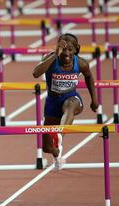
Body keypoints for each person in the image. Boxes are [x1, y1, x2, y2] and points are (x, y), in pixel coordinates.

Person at [32, 33, 98, 170]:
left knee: (69, 105)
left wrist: (94, 100)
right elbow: (36, 73)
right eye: (64, 49)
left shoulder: (80, 63)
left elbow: (89, 77)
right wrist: (55, 54)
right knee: (46, 147)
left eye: (70, 49)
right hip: (52, 104)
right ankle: (57, 154)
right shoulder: (51, 59)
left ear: (76, 49)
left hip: (72, 99)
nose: (66, 53)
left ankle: (59, 134)